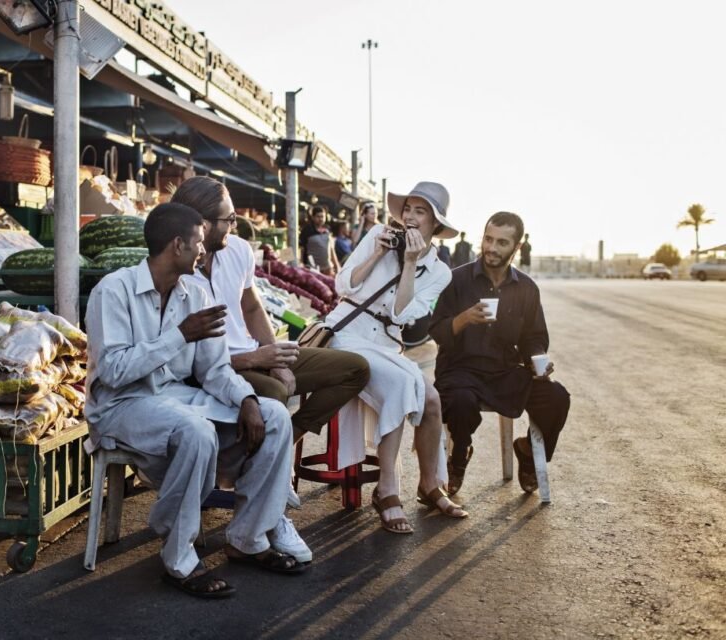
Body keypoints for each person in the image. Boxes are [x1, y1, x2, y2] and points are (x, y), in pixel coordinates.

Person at [84, 203, 307, 600]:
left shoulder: (198, 293)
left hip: (176, 398)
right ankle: (178, 557)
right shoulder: (113, 291)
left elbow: (214, 370)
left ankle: (248, 537)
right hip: (121, 405)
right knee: (196, 431)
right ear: (177, 245)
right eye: (199, 243)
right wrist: (179, 335)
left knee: (274, 415)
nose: (205, 251)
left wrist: (247, 399)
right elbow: (115, 372)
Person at [172, 177, 370, 513]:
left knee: (355, 369)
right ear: (202, 223)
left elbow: (251, 307)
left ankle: (281, 444)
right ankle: (259, 477)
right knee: (275, 395)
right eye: (228, 219)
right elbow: (187, 360)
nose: (235, 226)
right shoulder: (174, 267)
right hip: (214, 371)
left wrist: (275, 359)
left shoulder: (238, 250)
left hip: (257, 355)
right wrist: (254, 359)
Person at [325, 181, 468, 534]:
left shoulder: (439, 272)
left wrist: (408, 264)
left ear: (435, 225)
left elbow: (402, 314)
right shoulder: (377, 233)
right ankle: (387, 488)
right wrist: (376, 254)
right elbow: (343, 286)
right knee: (407, 383)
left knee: (431, 399)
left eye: (421, 211)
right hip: (348, 335)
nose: (411, 216)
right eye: (408, 209)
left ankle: (430, 484)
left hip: (387, 345)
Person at [429, 212, 570, 496]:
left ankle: (528, 451)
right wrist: (464, 319)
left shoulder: (526, 288)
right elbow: (436, 331)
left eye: (502, 242)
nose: (491, 247)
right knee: (460, 400)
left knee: (557, 397)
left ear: (516, 248)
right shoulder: (456, 279)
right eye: (488, 238)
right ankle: (458, 458)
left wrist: (537, 360)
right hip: (460, 370)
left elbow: (535, 337)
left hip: (505, 372)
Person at [299, 205, 340, 275]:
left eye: (322, 216)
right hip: (312, 269)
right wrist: (301, 264)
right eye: (318, 216)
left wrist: (337, 266)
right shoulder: (307, 230)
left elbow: (332, 250)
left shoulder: (327, 230)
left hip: (328, 269)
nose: (321, 219)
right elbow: (301, 249)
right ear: (313, 217)